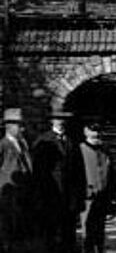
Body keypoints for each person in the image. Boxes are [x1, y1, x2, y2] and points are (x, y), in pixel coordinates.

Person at [32, 104, 86, 253]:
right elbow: (39, 174)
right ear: (51, 121)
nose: (60, 122)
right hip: (51, 197)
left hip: (70, 199)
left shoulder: (72, 142)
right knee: (52, 235)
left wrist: (80, 196)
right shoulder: (43, 141)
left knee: (69, 235)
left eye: (63, 119)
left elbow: (79, 171)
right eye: (57, 119)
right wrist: (41, 198)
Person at [0, 108, 32, 252]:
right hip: (9, 195)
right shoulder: (3, 145)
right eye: (19, 125)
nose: (22, 128)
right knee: (8, 229)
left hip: (24, 193)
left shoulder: (23, 144)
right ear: (9, 126)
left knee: (21, 230)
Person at [79, 122, 114, 253]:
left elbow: (111, 173)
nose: (95, 134)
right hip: (88, 196)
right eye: (92, 130)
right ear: (85, 131)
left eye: (98, 131)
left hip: (103, 196)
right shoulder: (80, 149)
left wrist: (111, 194)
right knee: (87, 230)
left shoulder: (105, 150)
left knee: (100, 231)